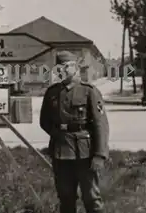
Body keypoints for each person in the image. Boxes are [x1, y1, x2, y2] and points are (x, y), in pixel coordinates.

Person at [40, 51, 109, 213]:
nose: (61, 71)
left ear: (75, 67)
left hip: (85, 153)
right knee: (65, 198)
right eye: (59, 67)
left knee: (92, 199)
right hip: (61, 153)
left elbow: (101, 125)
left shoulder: (89, 91)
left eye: (66, 67)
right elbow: (44, 121)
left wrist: (99, 154)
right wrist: (58, 135)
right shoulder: (52, 93)